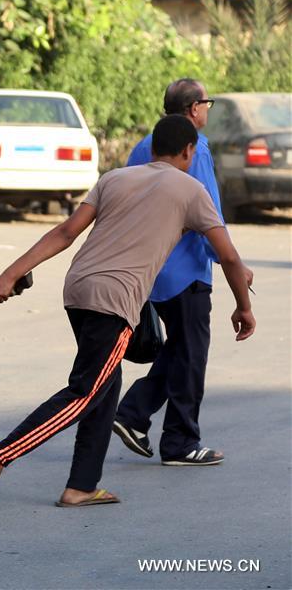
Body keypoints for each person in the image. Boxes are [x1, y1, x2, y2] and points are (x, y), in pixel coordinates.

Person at [0, 115, 255, 509]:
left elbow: (65, 232)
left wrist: (11, 273)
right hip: (114, 300)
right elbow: (229, 256)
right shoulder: (191, 189)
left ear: (151, 149)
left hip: (78, 288)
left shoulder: (115, 178)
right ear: (188, 150)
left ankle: (81, 485)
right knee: (85, 391)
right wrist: (244, 306)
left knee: (105, 386)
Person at [112, 79, 245, 466]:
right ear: (192, 109)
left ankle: (133, 414)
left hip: (149, 266)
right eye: (207, 103)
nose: (208, 109)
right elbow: (207, 215)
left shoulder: (145, 144)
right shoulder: (195, 148)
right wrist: (229, 262)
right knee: (191, 355)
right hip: (185, 270)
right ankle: (180, 442)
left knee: (181, 349)